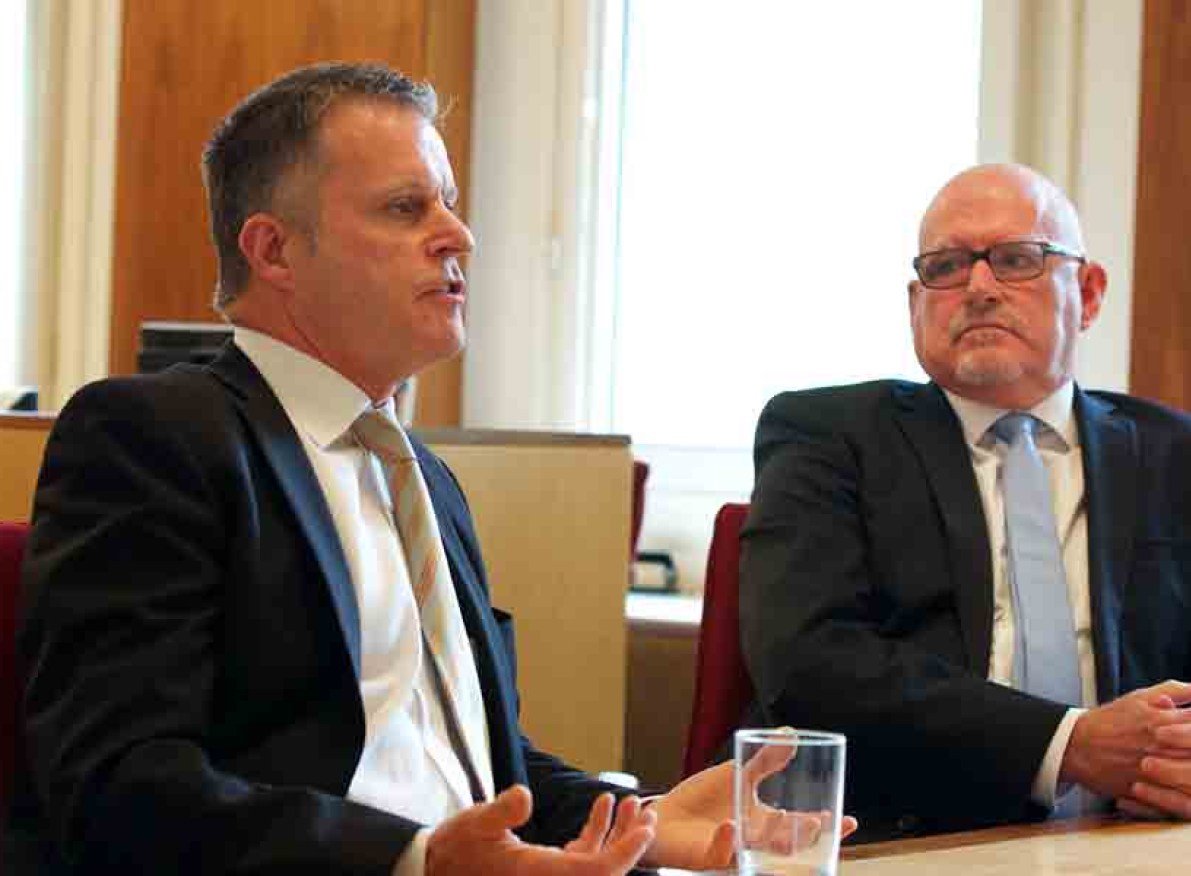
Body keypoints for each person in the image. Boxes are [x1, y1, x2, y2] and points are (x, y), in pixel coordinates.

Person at [5, 62, 851, 875]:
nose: (460, 235)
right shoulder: (156, 436)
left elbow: (474, 765)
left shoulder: (424, 479)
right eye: (406, 207)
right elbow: (119, 785)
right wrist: (414, 861)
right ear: (273, 251)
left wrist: (640, 818)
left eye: (446, 202)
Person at [739, 163, 1191, 842]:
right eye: (946, 267)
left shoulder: (1188, 460)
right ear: (914, 303)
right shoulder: (827, 435)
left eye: (1017, 260)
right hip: (895, 837)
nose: (978, 288)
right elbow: (808, 664)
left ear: (1089, 293)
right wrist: (1067, 744)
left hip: (1131, 844)